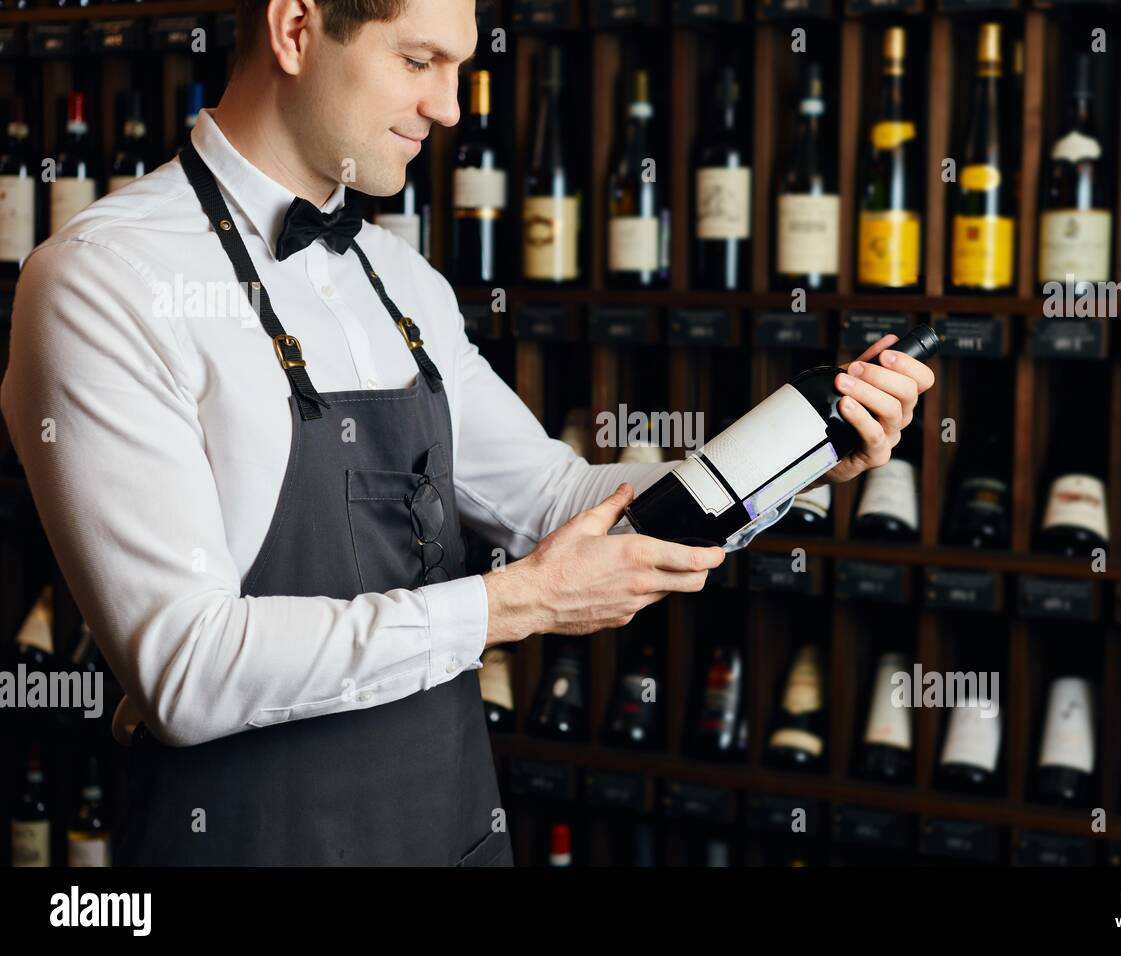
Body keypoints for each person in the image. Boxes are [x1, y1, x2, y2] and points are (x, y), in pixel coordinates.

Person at [0, 0, 934, 866]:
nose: (449, 107)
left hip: (451, 830)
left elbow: (557, 499)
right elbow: (185, 668)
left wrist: (806, 449)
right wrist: (511, 606)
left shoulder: (402, 281)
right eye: (420, 60)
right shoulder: (103, 281)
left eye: (459, 68)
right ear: (294, 29)